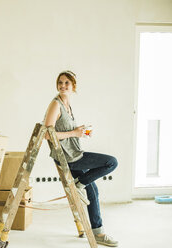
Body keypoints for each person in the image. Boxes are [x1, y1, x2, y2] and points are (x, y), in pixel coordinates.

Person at [44, 70, 118, 247]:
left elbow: (65, 131)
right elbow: (47, 133)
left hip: (73, 153)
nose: (62, 85)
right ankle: (79, 184)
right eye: (60, 82)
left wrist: (80, 131)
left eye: (66, 83)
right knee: (111, 162)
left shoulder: (66, 104)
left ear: (73, 86)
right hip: (69, 157)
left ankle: (98, 233)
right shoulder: (56, 104)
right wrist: (73, 133)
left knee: (93, 192)